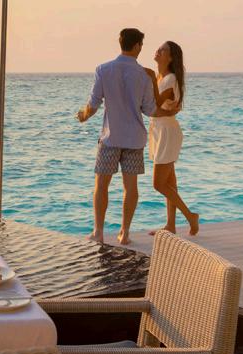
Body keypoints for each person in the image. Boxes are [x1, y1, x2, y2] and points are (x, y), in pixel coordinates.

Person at [77, 28, 156, 245]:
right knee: (130, 187)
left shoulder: (103, 69)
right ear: (137, 45)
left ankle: (98, 232)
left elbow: (93, 104)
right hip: (134, 139)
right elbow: (149, 110)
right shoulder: (144, 75)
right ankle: (125, 233)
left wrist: (83, 116)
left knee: (101, 185)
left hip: (110, 138)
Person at [146, 41, 199, 236]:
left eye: (163, 50)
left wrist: (150, 78)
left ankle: (190, 216)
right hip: (159, 130)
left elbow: (154, 103)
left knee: (158, 184)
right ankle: (170, 225)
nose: (158, 51)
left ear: (170, 57)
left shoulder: (170, 79)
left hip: (167, 132)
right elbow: (152, 107)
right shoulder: (160, 77)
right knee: (170, 183)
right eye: (158, 48)